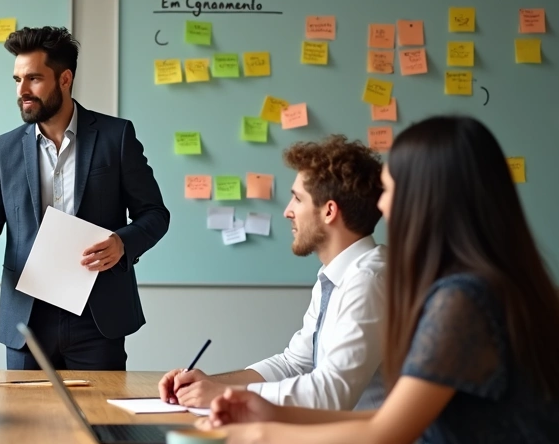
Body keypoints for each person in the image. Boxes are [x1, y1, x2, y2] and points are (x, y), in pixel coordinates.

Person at [198, 116, 559, 444]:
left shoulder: (465, 300)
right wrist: (269, 412)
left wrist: (254, 434)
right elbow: (388, 419)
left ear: (425, 199)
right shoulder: (485, 283)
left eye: (389, 189)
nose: (380, 204)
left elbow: (382, 442)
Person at [0, 26, 169, 371]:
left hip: (97, 319)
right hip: (27, 320)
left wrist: (122, 243)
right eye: (17, 79)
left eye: (33, 78)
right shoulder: (5, 149)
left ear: (65, 79)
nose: (22, 91)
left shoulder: (116, 137)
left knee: (99, 424)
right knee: (24, 424)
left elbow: (155, 214)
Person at [159, 136, 388, 411]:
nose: (287, 211)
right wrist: (208, 385)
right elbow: (294, 363)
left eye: (297, 199)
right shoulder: (336, 275)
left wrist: (224, 395)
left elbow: (332, 393)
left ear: (329, 211)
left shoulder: (369, 280)